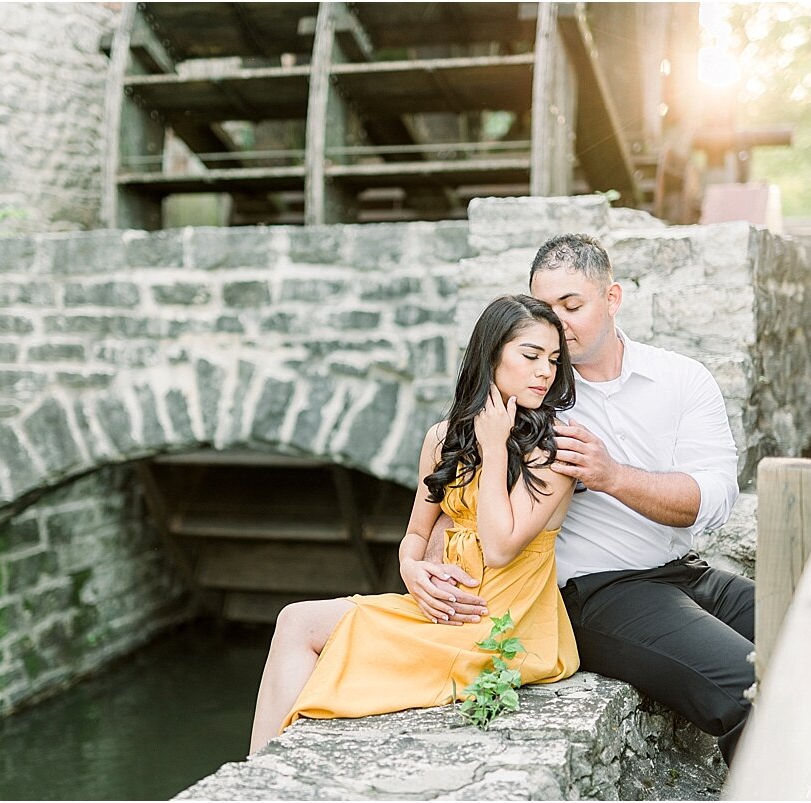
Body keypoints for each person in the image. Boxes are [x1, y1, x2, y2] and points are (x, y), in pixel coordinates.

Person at [414, 234, 754, 765]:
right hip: (599, 592)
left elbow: (714, 498)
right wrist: (418, 563)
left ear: (612, 298)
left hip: (687, 572)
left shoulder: (681, 378)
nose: (555, 324)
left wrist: (612, 475)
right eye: (543, 309)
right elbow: (458, 492)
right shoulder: (531, 398)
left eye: (571, 306)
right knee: (751, 690)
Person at [249, 294, 581, 754]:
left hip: (504, 629)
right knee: (295, 620)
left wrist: (496, 446)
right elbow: (416, 534)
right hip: (443, 611)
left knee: (319, 643)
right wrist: (411, 568)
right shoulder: (442, 438)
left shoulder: (554, 453)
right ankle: (260, 771)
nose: (545, 371)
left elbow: (502, 547)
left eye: (553, 360)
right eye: (531, 356)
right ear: (491, 355)